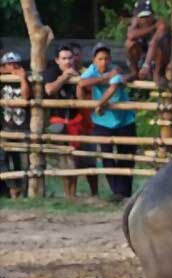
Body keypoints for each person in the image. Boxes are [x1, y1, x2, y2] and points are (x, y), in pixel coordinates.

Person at [77, 44, 136, 200]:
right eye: (100, 59)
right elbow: (82, 83)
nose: (103, 62)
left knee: (127, 156)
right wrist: (103, 78)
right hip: (103, 121)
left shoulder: (115, 70)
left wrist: (99, 104)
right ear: (94, 60)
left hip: (124, 119)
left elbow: (112, 89)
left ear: (110, 59)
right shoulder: (92, 70)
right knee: (107, 156)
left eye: (106, 58)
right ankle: (116, 191)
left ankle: (126, 193)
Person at [44, 44, 98, 198]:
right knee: (67, 161)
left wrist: (77, 80)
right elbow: (49, 89)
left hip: (82, 121)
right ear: (57, 60)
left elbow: (90, 92)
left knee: (89, 159)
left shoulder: (83, 72)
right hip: (61, 122)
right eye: (64, 58)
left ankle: (95, 194)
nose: (68, 61)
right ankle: (70, 197)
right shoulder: (52, 72)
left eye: (70, 58)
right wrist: (64, 77)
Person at [0, 51, 28, 198]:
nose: (14, 66)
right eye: (9, 64)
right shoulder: (3, 80)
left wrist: (22, 79)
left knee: (23, 162)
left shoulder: (25, 78)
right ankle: (11, 188)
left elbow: (25, 98)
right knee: (3, 160)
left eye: (16, 63)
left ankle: (24, 192)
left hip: (23, 128)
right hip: (6, 127)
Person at [124, 0, 171, 83]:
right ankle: (134, 72)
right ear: (137, 17)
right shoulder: (135, 25)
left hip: (157, 59)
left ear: (153, 15)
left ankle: (158, 74)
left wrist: (146, 65)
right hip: (142, 59)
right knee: (129, 44)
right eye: (142, 17)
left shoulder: (160, 24)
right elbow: (130, 35)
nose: (145, 20)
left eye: (148, 16)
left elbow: (154, 42)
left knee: (160, 45)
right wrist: (152, 28)